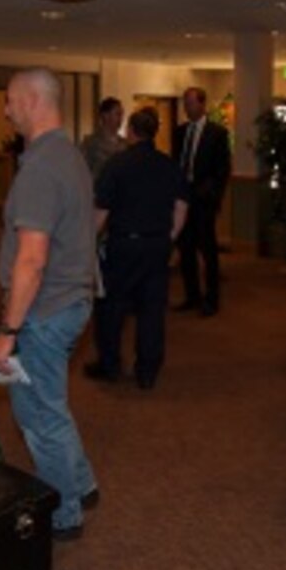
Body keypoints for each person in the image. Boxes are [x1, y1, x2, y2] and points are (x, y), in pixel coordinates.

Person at [0, 68, 99, 540]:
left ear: (33, 101)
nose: (7, 110)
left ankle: (64, 512)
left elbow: (31, 259)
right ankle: (82, 483)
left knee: (38, 415)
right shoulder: (67, 155)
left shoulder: (40, 167)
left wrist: (7, 331)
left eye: (11, 100)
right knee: (52, 405)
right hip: (69, 300)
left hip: (45, 310)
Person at [84, 106, 187, 390]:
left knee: (111, 307)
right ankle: (147, 371)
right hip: (157, 245)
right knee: (152, 310)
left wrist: (89, 242)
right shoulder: (169, 165)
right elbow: (181, 207)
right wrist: (170, 237)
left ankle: (110, 364)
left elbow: (101, 211)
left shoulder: (117, 165)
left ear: (130, 131)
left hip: (123, 245)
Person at [172, 86, 229, 316]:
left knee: (208, 252)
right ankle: (192, 296)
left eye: (191, 103)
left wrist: (213, 197)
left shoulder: (217, 133)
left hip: (203, 202)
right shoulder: (180, 132)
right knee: (186, 251)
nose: (187, 107)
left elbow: (222, 170)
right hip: (183, 201)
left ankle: (212, 299)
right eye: (185, 103)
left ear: (202, 104)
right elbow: (176, 166)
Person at [81, 96, 126, 179]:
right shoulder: (91, 143)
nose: (120, 119)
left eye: (121, 115)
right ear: (106, 116)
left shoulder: (125, 144)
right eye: (117, 114)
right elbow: (82, 171)